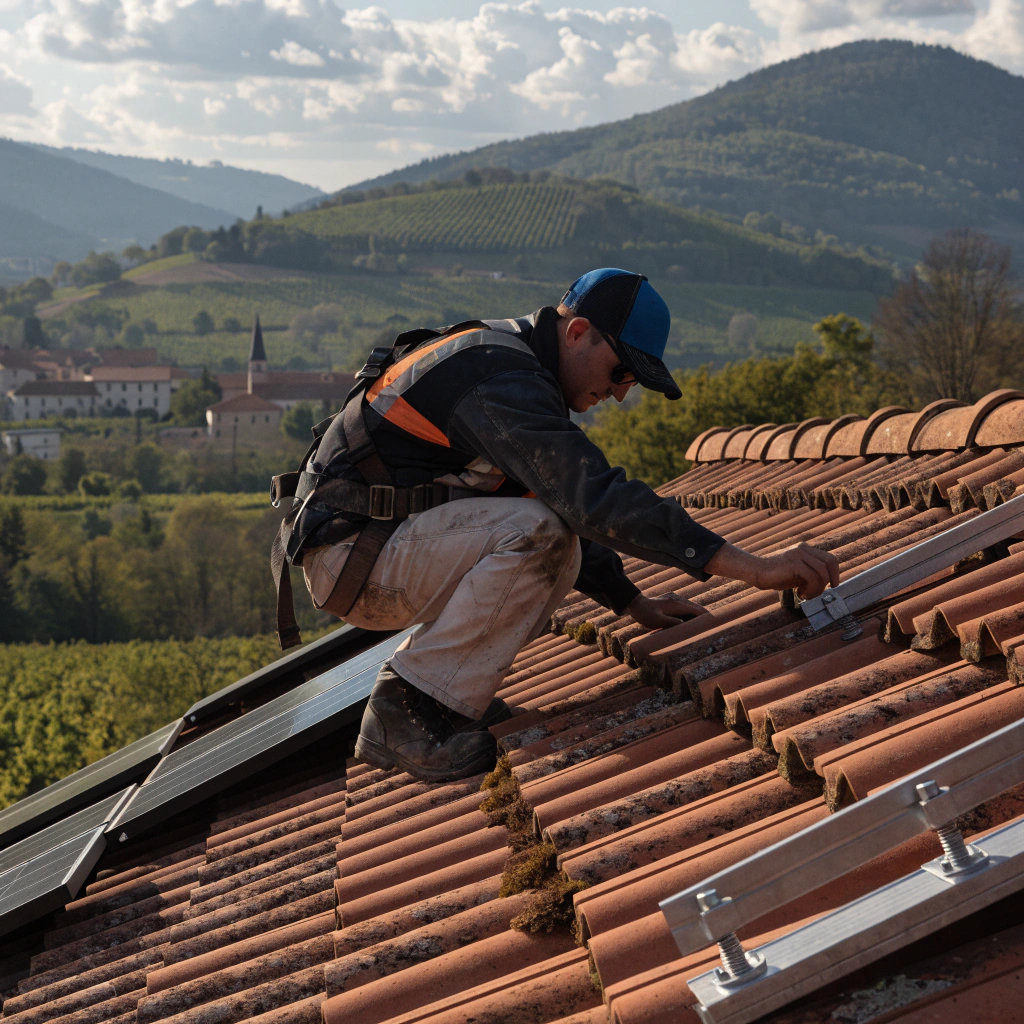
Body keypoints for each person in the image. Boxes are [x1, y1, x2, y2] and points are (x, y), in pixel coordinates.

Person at [273, 268, 839, 783]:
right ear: (577, 332)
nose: (619, 392)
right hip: (356, 554)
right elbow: (587, 498)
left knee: (545, 529)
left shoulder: (514, 369)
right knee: (538, 532)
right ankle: (410, 709)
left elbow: (550, 500)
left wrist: (629, 601)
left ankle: (447, 694)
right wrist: (754, 568)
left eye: (632, 384)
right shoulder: (497, 378)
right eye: (621, 371)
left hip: (377, 548)